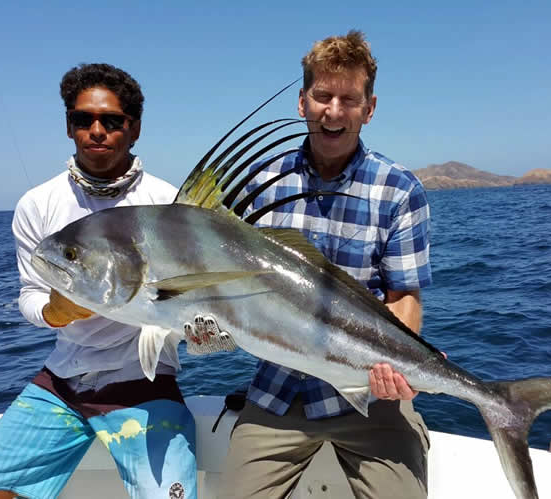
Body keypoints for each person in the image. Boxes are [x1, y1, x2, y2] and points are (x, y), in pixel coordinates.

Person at [0, 63, 196, 499]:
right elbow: (30, 295)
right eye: (82, 119)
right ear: (69, 126)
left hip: (146, 383)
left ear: (134, 128)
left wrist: (204, 335)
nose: (96, 130)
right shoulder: (37, 205)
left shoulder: (168, 204)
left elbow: (191, 307)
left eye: (112, 120)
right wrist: (53, 312)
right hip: (64, 382)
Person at [215, 31, 432, 499]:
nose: (334, 111)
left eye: (349, 99)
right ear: (302, 102)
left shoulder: (398, 189)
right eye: (322, 96)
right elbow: (225, 288)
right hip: (279, 389)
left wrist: (398, 368)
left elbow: (404, 297)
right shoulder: (258, 185)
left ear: (369, 109)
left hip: (372, 397)